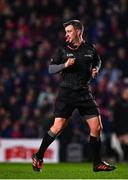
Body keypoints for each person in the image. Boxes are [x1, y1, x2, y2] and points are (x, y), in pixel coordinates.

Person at [32, 19, 116, 172]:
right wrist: (64, 65)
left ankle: (97, 163)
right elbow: (51, 69)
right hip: (67, 93)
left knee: (97, 127)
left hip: (84, 92)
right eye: (66, 32)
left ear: (78, 31)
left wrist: (95, 69)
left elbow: (98, 61)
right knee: (58, 127)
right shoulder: (62, 50)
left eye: (69, 31)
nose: (67, 35)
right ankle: (38, 156)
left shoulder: (91, 48)